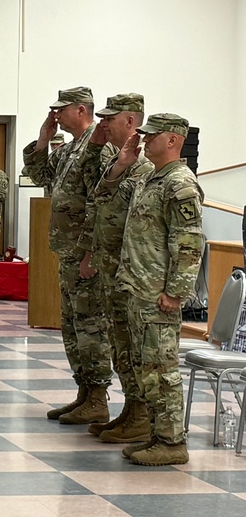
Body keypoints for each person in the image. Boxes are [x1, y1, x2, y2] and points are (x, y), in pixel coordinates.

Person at [102, 114, 203, 466]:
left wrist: (176, 292)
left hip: (157, 292)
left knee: (162, 369)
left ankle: (172, 442)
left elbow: (189, 243)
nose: (143, 140)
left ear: (172, 140)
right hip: (136, 288)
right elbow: (110, 199)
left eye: (151, 135)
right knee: (146, 368)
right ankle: (155, 434)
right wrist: (122, 164)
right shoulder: (149, 177)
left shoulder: (180, 183)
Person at [22, 86, 112, 425]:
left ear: (81, 110)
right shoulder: (70, 148)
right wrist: (43, 140)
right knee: (73, 327)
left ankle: (99, 396)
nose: (56, 114)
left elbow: (99, 204)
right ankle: (84, 392)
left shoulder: (98, 149)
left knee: (90, 327)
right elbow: (39, 176)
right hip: (68, 251)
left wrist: (90, 252)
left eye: (62, 109)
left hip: (85, 254)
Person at [83, 94, 154, 444]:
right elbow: (100, 201)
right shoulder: (122, 162)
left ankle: (142, 415)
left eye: (112, 118)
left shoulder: (149, 169)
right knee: (119, 344)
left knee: (135, 346)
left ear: (131, 122)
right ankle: (130, 409)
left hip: (134, 273)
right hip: (112, 269)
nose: (105, 123)